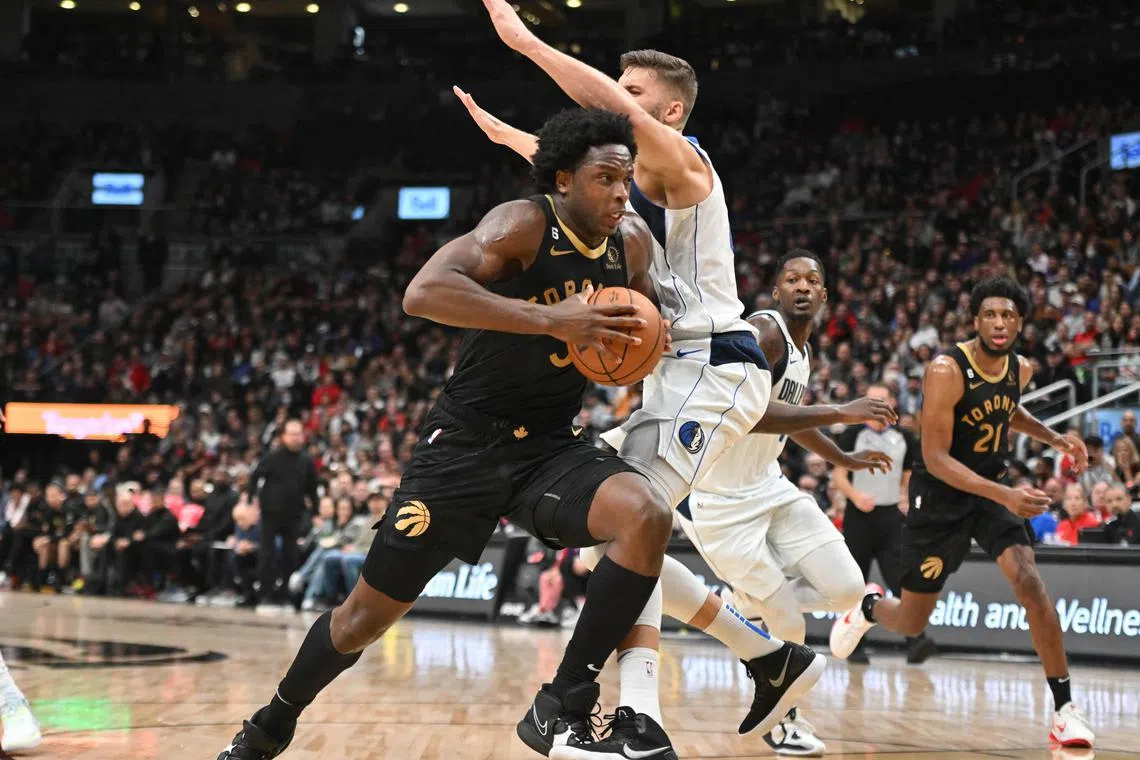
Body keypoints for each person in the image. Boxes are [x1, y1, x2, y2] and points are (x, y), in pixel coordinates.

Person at [216, 109, 817, 760]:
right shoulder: (523, 224)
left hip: (548, 446)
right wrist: (546, 320)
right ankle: (270, 725)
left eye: (626, 179)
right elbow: (423, 292)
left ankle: (562, 705)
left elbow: (640, 322)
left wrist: (651, 341)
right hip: (464, 445)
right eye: (605, 179)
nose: (621, 192)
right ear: (563, 180)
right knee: (363, 619)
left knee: (643, 513)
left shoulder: (632, 243)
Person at [457, 29, 842, 754]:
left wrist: (523, 42)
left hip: (713, 369)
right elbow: (582, 160)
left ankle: (645, 706)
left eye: (631, 94)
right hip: (677, 374)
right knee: (620, 538)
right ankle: (760, 660)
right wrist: (518, 138)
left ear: (667, 116)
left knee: (628, 529)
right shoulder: (627, 187)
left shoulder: (688, 166)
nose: (615, 102)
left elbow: (610, 117)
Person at [829, 277, 1096, 748]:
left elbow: (1005, 409)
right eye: (990, 314)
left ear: (1020, 323)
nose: (999, 322)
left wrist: (1054, 439)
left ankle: (1064, 710)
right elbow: (935, 458)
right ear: (975, 320)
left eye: (1009, 315)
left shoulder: (1021, 368)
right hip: (941, 497)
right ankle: (869, 607)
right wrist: (1007, 494)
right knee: (911, 620)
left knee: (1030, 582)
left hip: (990, 493)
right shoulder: (945, 370)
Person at [663, 251, 898, 756]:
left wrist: (846, 458)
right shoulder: (763, 333)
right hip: (720, 504)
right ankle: (783, 721)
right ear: (776, 292)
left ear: (825, 296)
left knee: (849, 588)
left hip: (768, 486)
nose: (802, 286)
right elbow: (747, 412)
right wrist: (842, 410)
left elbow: (793, 419)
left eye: (813, 279)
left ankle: (745, 603)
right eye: (791, 279)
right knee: (789, 623)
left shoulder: (803, 350)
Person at [834, 382, 936, 666]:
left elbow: (907, 478)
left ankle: (916, 640)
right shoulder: (853, 434)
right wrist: (855, 496)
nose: (877, 403)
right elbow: (839, 476)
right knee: (855, 581)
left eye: (882, 398)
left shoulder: (904, 437)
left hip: (891, 517)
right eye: (872, 398)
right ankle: (854, 644)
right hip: (859, 517)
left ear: (892, 402)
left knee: (900, 578)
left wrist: (906, 497)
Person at [247, 419, 319, 606]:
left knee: (290, 555)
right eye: (292, 434)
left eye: (299, 434)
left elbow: (312, 488)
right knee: (266, 554)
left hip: (293, 515)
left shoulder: (306, 460)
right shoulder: (272, 457)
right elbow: (254, 477)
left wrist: (316, 511)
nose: (296, 438)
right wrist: (250, 502)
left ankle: (285, 594)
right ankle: (265, 593)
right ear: (284, 436)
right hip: (270, 513)